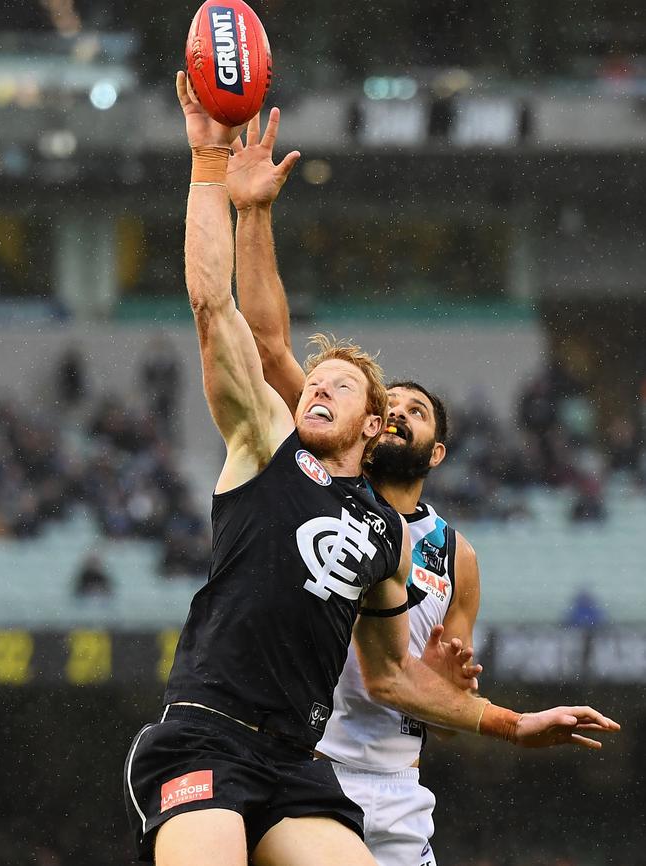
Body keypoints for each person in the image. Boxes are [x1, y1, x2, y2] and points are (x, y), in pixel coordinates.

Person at [123, 76, 618, 866]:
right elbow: (219, 309)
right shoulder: (266, 450)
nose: (313, 389)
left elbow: (392, 677)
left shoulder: (390, 534)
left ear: (376, 423)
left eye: (339, 387)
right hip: (205, 734)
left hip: (298, 765)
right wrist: (209, 166)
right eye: (311, 386)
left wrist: (505, 720)